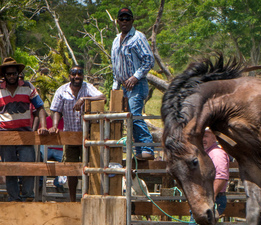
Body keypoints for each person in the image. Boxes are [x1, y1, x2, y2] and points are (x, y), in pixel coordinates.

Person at [49, 65, 106, 202]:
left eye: (79, 74)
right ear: (70, 76)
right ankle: (73, 199)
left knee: (91, 167)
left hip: (88, 136)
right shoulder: (62, 90)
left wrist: (85, 99)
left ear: (82, 76)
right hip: (70, 136)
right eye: (74, 74)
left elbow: (102, 97)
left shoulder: (87, 88)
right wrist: (55, 126)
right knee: (71, 169)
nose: (77, 77)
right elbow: (56, 109)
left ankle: (90, 197)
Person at [0, 57, 48, 201]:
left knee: (28, 165)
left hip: (25, 132)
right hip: (5, 133)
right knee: (10, 168)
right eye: (8, 74)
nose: (12, 76)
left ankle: (28, 195)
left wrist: (43, 126)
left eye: (14, 73)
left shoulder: (27, 87)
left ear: (17, 73)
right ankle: (14, 198)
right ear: (4, 75)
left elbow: (40, 107)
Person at [111, 7, 155, 160]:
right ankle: (138, 152)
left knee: (135, 115)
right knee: (127, 119)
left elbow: (149, 60)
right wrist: (114, 89)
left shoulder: (138, 37)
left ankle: (148, 149)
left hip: (137, 84)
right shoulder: (116, 40)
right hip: (122, 86)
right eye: (121, 18)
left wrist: (135, 77)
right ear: (117, 21)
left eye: (127, 18)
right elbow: (115, 66)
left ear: (132, 21)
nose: (124, 21)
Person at [185, 128, 229, 225]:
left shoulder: (216, 154)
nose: (203, 139)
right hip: (207, 199)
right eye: (201, 136)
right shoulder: (207, 154)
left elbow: (221, 177)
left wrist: (211, 198)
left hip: (210, 200)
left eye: (206, 135)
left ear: (215, 137)